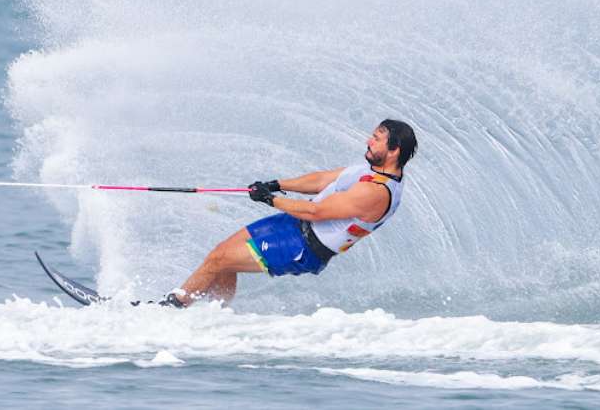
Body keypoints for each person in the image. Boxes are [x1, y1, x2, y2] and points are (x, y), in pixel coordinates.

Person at [160, 119, 417, 307]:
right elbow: (322, 180)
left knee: (219, 260)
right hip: (294, 224)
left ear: (393, 151)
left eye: (376, 139)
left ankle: (172, 309)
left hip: (304, 247)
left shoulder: (376, 193)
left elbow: (317, 211)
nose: (368, 141)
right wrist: (277, 185)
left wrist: (269, 200)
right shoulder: (370, 170)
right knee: (221, 256)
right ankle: (211, 314)